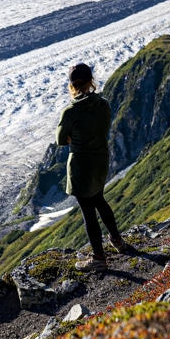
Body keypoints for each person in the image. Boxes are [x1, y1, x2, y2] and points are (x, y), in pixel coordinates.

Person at [55, 62, 128, 270]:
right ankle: (117, 241)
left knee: (88, 211)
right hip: (100, 161)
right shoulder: (103, 104)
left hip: (81, 166)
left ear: (72, 85)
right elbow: (103, 128)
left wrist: (72, 137)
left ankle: (98, 259)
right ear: (91, 81)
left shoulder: (70, 111)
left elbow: (60, 139)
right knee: (100, 200)